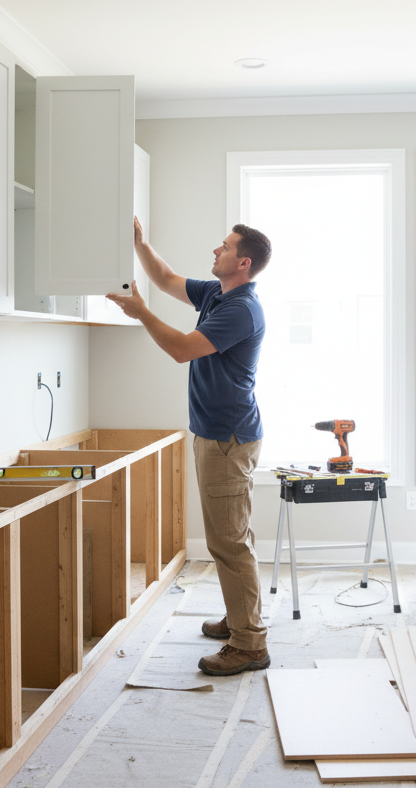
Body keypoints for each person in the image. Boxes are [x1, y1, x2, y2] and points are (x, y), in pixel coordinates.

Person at [106, 217, 273, 675]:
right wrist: (140, 243)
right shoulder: (218, 294)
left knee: (229, 542)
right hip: (220, 433)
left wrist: (141, 313)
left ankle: (249, 645)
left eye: (223, 247)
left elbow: (182, 349)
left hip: (227, 438)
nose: (213, 252)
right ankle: (243, 619)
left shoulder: (240, 309)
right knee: (231, 535)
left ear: (243, 262)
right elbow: (163, 278)